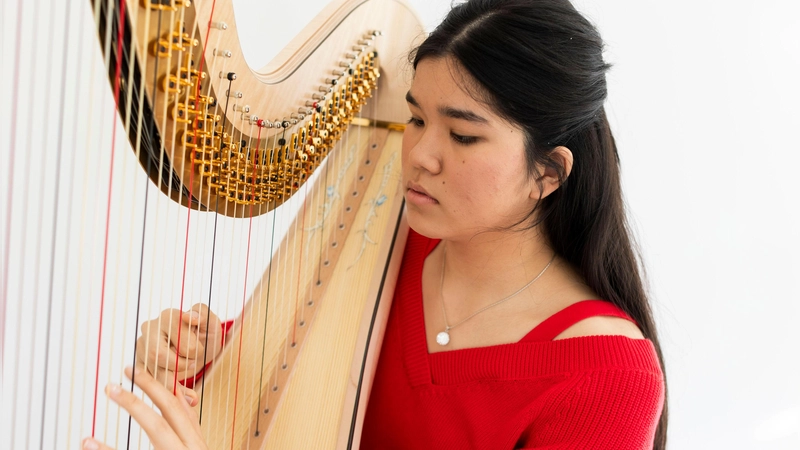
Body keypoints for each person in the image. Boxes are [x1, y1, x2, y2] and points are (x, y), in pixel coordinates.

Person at [83, 0, 667, 448]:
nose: (418, 155)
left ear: (550, 171)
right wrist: (210, 351)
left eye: (462, 135)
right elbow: (290, 390)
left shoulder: (607, 377)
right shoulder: (385, 242)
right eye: (415, 118)